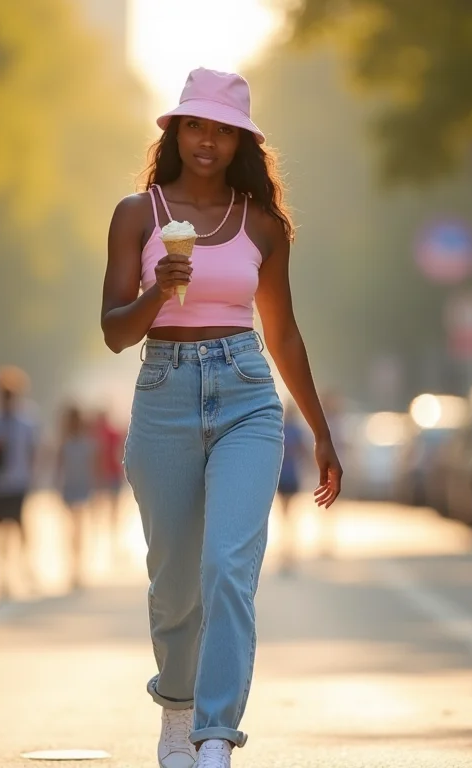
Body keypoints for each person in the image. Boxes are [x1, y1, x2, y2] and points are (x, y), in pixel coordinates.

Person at [100, 68, 343, 768]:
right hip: (164, 393)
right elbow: (114, 332)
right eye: (196, 126)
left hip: (246, 396)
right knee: (175, 584)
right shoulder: (137, 214)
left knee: (227, 568)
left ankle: (214, 736)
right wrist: (157, 292)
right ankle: (177, 713)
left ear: (242, 143)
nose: (208, 141)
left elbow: (283, 333)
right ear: (176, 131)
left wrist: (321, 432)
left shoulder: (263, 226)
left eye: (223, 131)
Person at [0, 366, 39, 600]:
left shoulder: (26, 422)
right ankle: (3, 575)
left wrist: (32, 476)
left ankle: (25, 569)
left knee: (21, 526)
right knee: (0, 530)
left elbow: (33, 450)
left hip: (18, 482)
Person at [55, 404, 96, 591]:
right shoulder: (65, 443)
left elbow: (92, 466)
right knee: (71, 528)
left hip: (82, 488)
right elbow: (59, 467)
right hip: (70, 488)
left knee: (79, 528)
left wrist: (94, 487)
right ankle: (72, 564)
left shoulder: (86, 442)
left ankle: (78, 565)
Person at [276, 403, 307, 575]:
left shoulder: (280, 428)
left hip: (282, 476)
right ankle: (289, 551)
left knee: (284, 515)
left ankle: (286, 551)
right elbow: (304, 451)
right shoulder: (296, 430)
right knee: (290, 515)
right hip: (292, 477)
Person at [92, 409, 125, 550]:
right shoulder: (111, 433)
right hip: (111, 472)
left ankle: (104, 530)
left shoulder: (97, 434)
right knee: (112, 504)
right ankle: (111, 530)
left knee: (101, 504)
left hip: (106, 473)